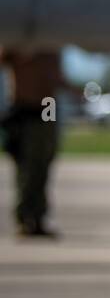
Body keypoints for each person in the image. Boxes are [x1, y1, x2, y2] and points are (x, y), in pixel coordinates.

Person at [0, 47, 66, 238]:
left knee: (45, 161)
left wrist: (78, 91)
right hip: (26, 106)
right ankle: (26, 217)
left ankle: (38, 216)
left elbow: (56, 77)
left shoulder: (53, 48)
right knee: (27, 164)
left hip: (48, 104)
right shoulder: (21, 42)